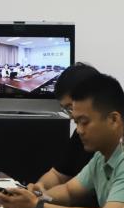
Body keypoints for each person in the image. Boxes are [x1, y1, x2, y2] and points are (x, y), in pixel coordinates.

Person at [0, 73, 124, 208]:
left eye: (84, 122)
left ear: (113, 120)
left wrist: (38, 207)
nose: (79, 131)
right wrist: (37, 197)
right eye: (76, 122)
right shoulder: (101, 155)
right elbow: (69, 192)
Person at [28, 63, 99, 193]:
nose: (72, 116)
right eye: (66, 109)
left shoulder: (119, 149)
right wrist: (39, 187)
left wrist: (38, 202)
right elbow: (58, 175)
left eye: (71, 107)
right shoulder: (80, 134)